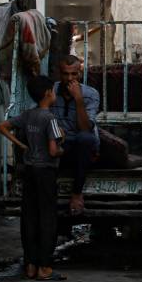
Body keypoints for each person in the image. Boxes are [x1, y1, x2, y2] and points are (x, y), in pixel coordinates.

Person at [0, 75, 66, 282]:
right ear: (48, 93)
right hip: (46, 171)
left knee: (29, 217)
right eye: (53, 90)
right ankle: (44, 267)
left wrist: (20, 144)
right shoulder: (50, 119)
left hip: (29, 170)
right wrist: (63, 146)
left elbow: (2, 126)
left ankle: (30, 265)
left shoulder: (27, 115)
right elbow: (54, 151)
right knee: (47, 218)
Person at [52, 55, 100, 216]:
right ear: (60, 74)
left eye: (74, 74)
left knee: (85, 138)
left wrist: (78, 99)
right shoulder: (51, 91)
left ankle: (77, 194)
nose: (69, 78)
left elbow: (85, 128)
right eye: (66, 74)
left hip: (82, 147)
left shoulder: (91, 94)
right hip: (60, 145)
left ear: (80, 73)